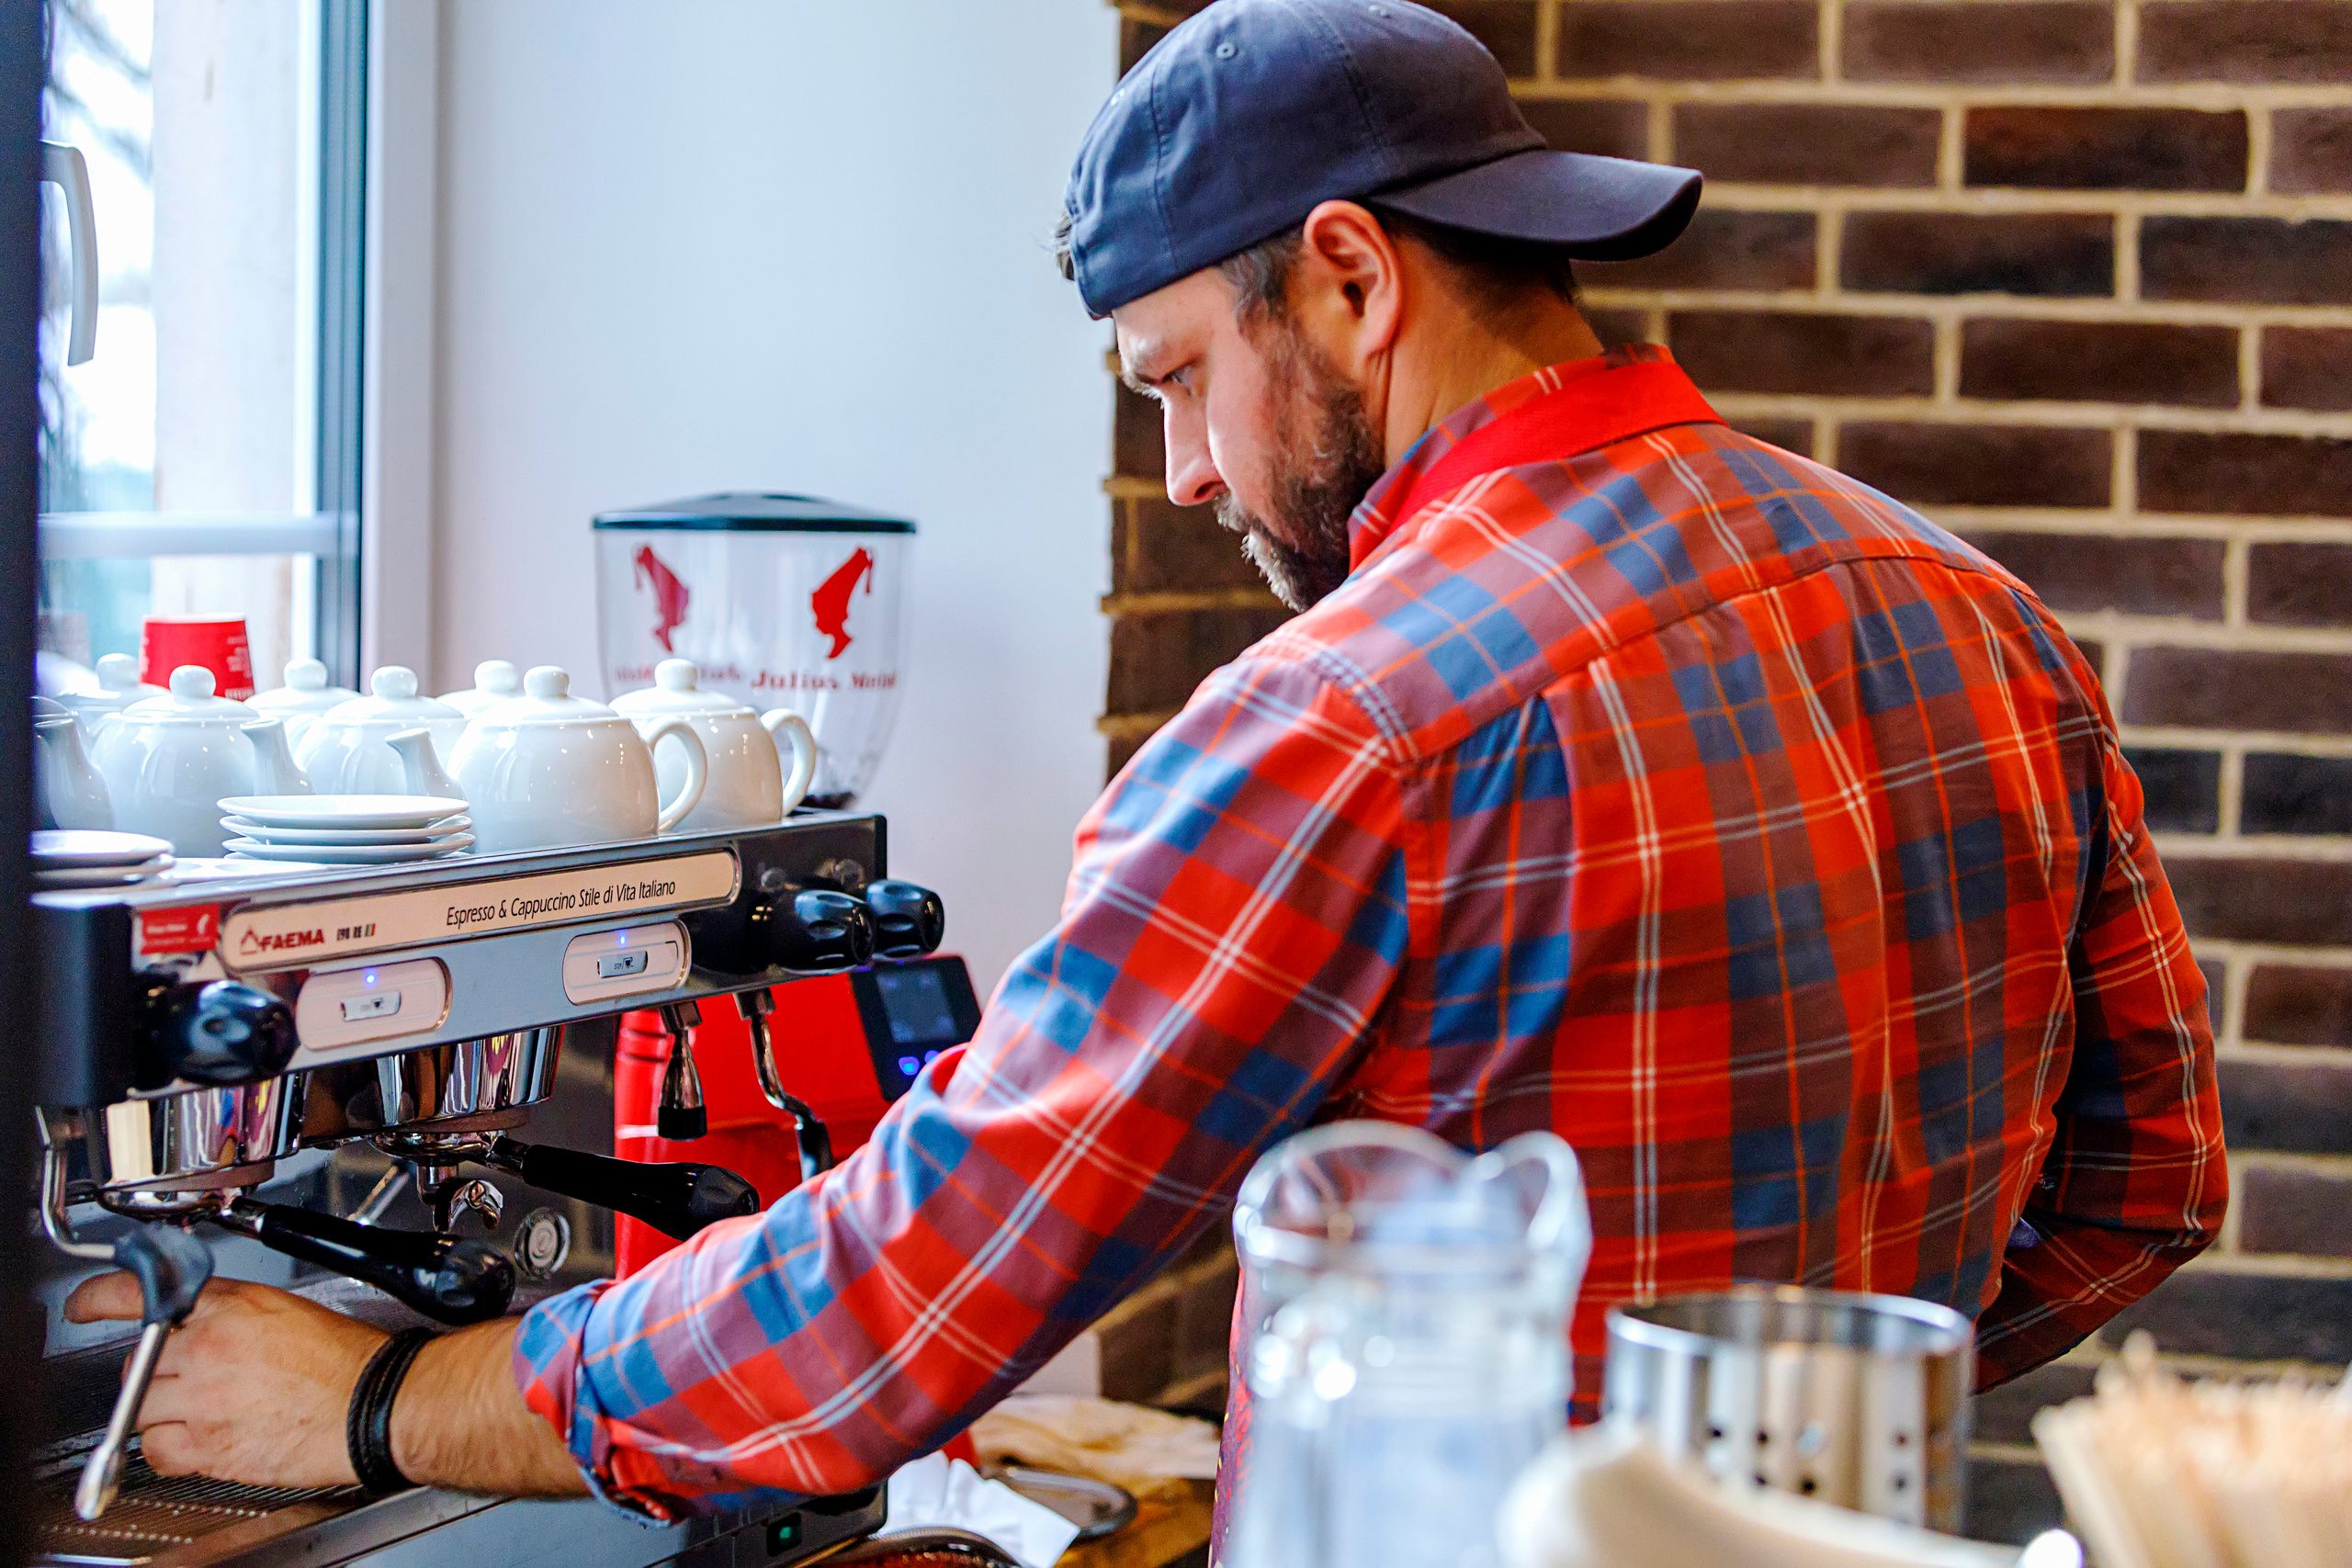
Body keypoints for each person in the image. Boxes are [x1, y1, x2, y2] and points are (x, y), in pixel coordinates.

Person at [70, 0, 2225, 1529]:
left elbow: (893, 1304)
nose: (1184, 469)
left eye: (1176, 375)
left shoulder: (1345, 720)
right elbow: (2145, 1189)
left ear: (1352, 278)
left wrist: (368, 1399)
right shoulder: (1966, 604)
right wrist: (1759, 1474)